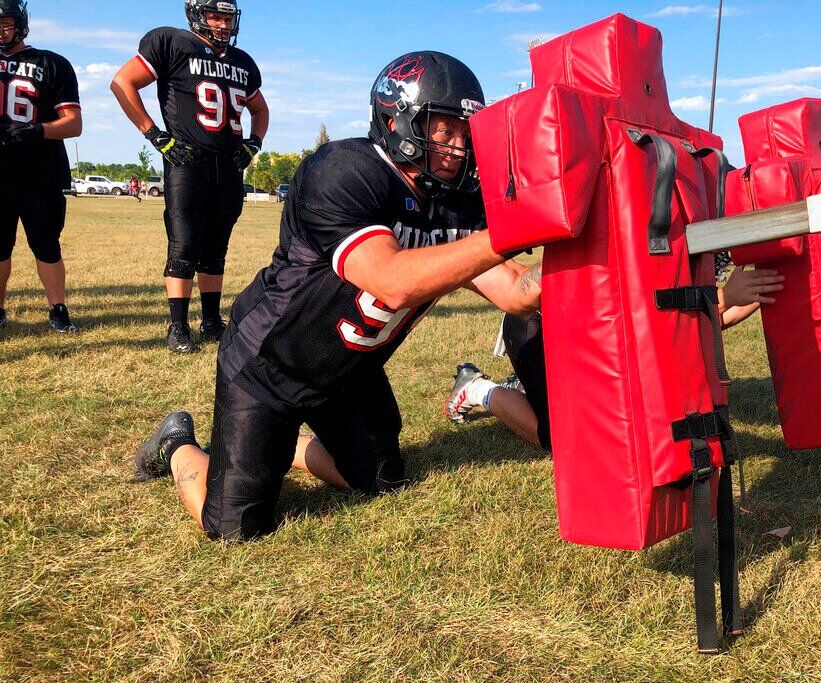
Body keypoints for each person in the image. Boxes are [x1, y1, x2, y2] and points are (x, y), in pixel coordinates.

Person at [132, 51, 541, 542]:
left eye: (464, 132)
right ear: (397, 120)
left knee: (383, 479)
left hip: (349, 372)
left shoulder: (455, 202)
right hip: (270, 366)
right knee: (235, 529)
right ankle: (176, 442)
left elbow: (516, 293)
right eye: (444, 130)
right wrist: (506, 232)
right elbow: (391, 279)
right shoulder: (344, 170)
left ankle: (280, 449)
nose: (458, 146)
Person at [442, 264, 786, 448]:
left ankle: (535, 384)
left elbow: (700, 323)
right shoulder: (650, 241)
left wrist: (757, 293)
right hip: (539, 323)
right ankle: (475, 388)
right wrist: (724, 295)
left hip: (589, 334)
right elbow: (652, 312)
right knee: (556, 439)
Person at [110, 0, 269, 353]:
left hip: (228, 164)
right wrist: (154, 134)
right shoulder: (172, 42)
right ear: (197, 15)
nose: (223, 24)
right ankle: (178, 326)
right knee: (183, 244)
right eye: (215, 16)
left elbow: (260, 108)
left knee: (216, 247)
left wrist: (253, 144)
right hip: (187, 159)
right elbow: (122, 82)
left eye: (227, 17)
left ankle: (211, 321)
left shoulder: (242, 62)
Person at [0, 0, 83, 333]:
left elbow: (73, 124)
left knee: (47, 246)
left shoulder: (52, 63)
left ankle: (58, 308)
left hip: (41, 173)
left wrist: (38, 129)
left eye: (5, 22)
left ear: (20, 23)